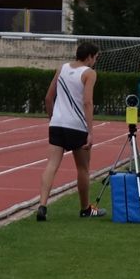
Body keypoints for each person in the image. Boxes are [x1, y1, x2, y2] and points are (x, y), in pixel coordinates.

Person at [34, 40, 98, 222]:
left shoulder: (61, 68)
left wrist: (52, 118)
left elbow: (48, 97)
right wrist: (90, 131)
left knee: (51, 165)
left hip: (57, 123)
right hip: (77, 125)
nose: (95, 61)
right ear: (90, 57)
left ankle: (42, 205)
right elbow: (87, 102)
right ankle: (85, 208)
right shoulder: (89, 73)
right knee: (83, 168)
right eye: (95, 58)